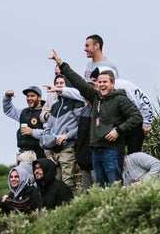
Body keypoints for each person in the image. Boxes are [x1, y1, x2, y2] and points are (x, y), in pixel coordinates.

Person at [49, 49, 142, 188]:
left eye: (105, 82)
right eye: (99, 82)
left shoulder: (120, 99)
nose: (102, 84)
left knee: (115, 186)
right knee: (101, 189)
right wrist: (61, 64)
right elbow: (78, 82)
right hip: (96, 151)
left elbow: (136, 117)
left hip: (112, 150)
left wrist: (118, 130)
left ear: (112, 84)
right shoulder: (95, 97)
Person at [39, 82, 85, 189]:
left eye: (61, 83)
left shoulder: (77, 103)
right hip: (53, 151)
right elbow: (47, 129)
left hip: (68, 149)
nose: (58, 85)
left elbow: (81, 126)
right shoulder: (55, 105)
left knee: (67, 183)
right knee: (55, 184)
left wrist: (67, 136)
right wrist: (48, 152)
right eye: (57, 83)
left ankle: (72, 206)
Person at [3, 86, 45, 160]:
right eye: (28, 96)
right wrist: (7, 97)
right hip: (23, 153)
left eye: (32, 96)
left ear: (39, 97)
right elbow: (9, 110)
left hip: (40, 154)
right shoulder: (24, 112)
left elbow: (49, 134)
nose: (29, 98)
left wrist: (32, 132)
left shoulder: (45, 113)